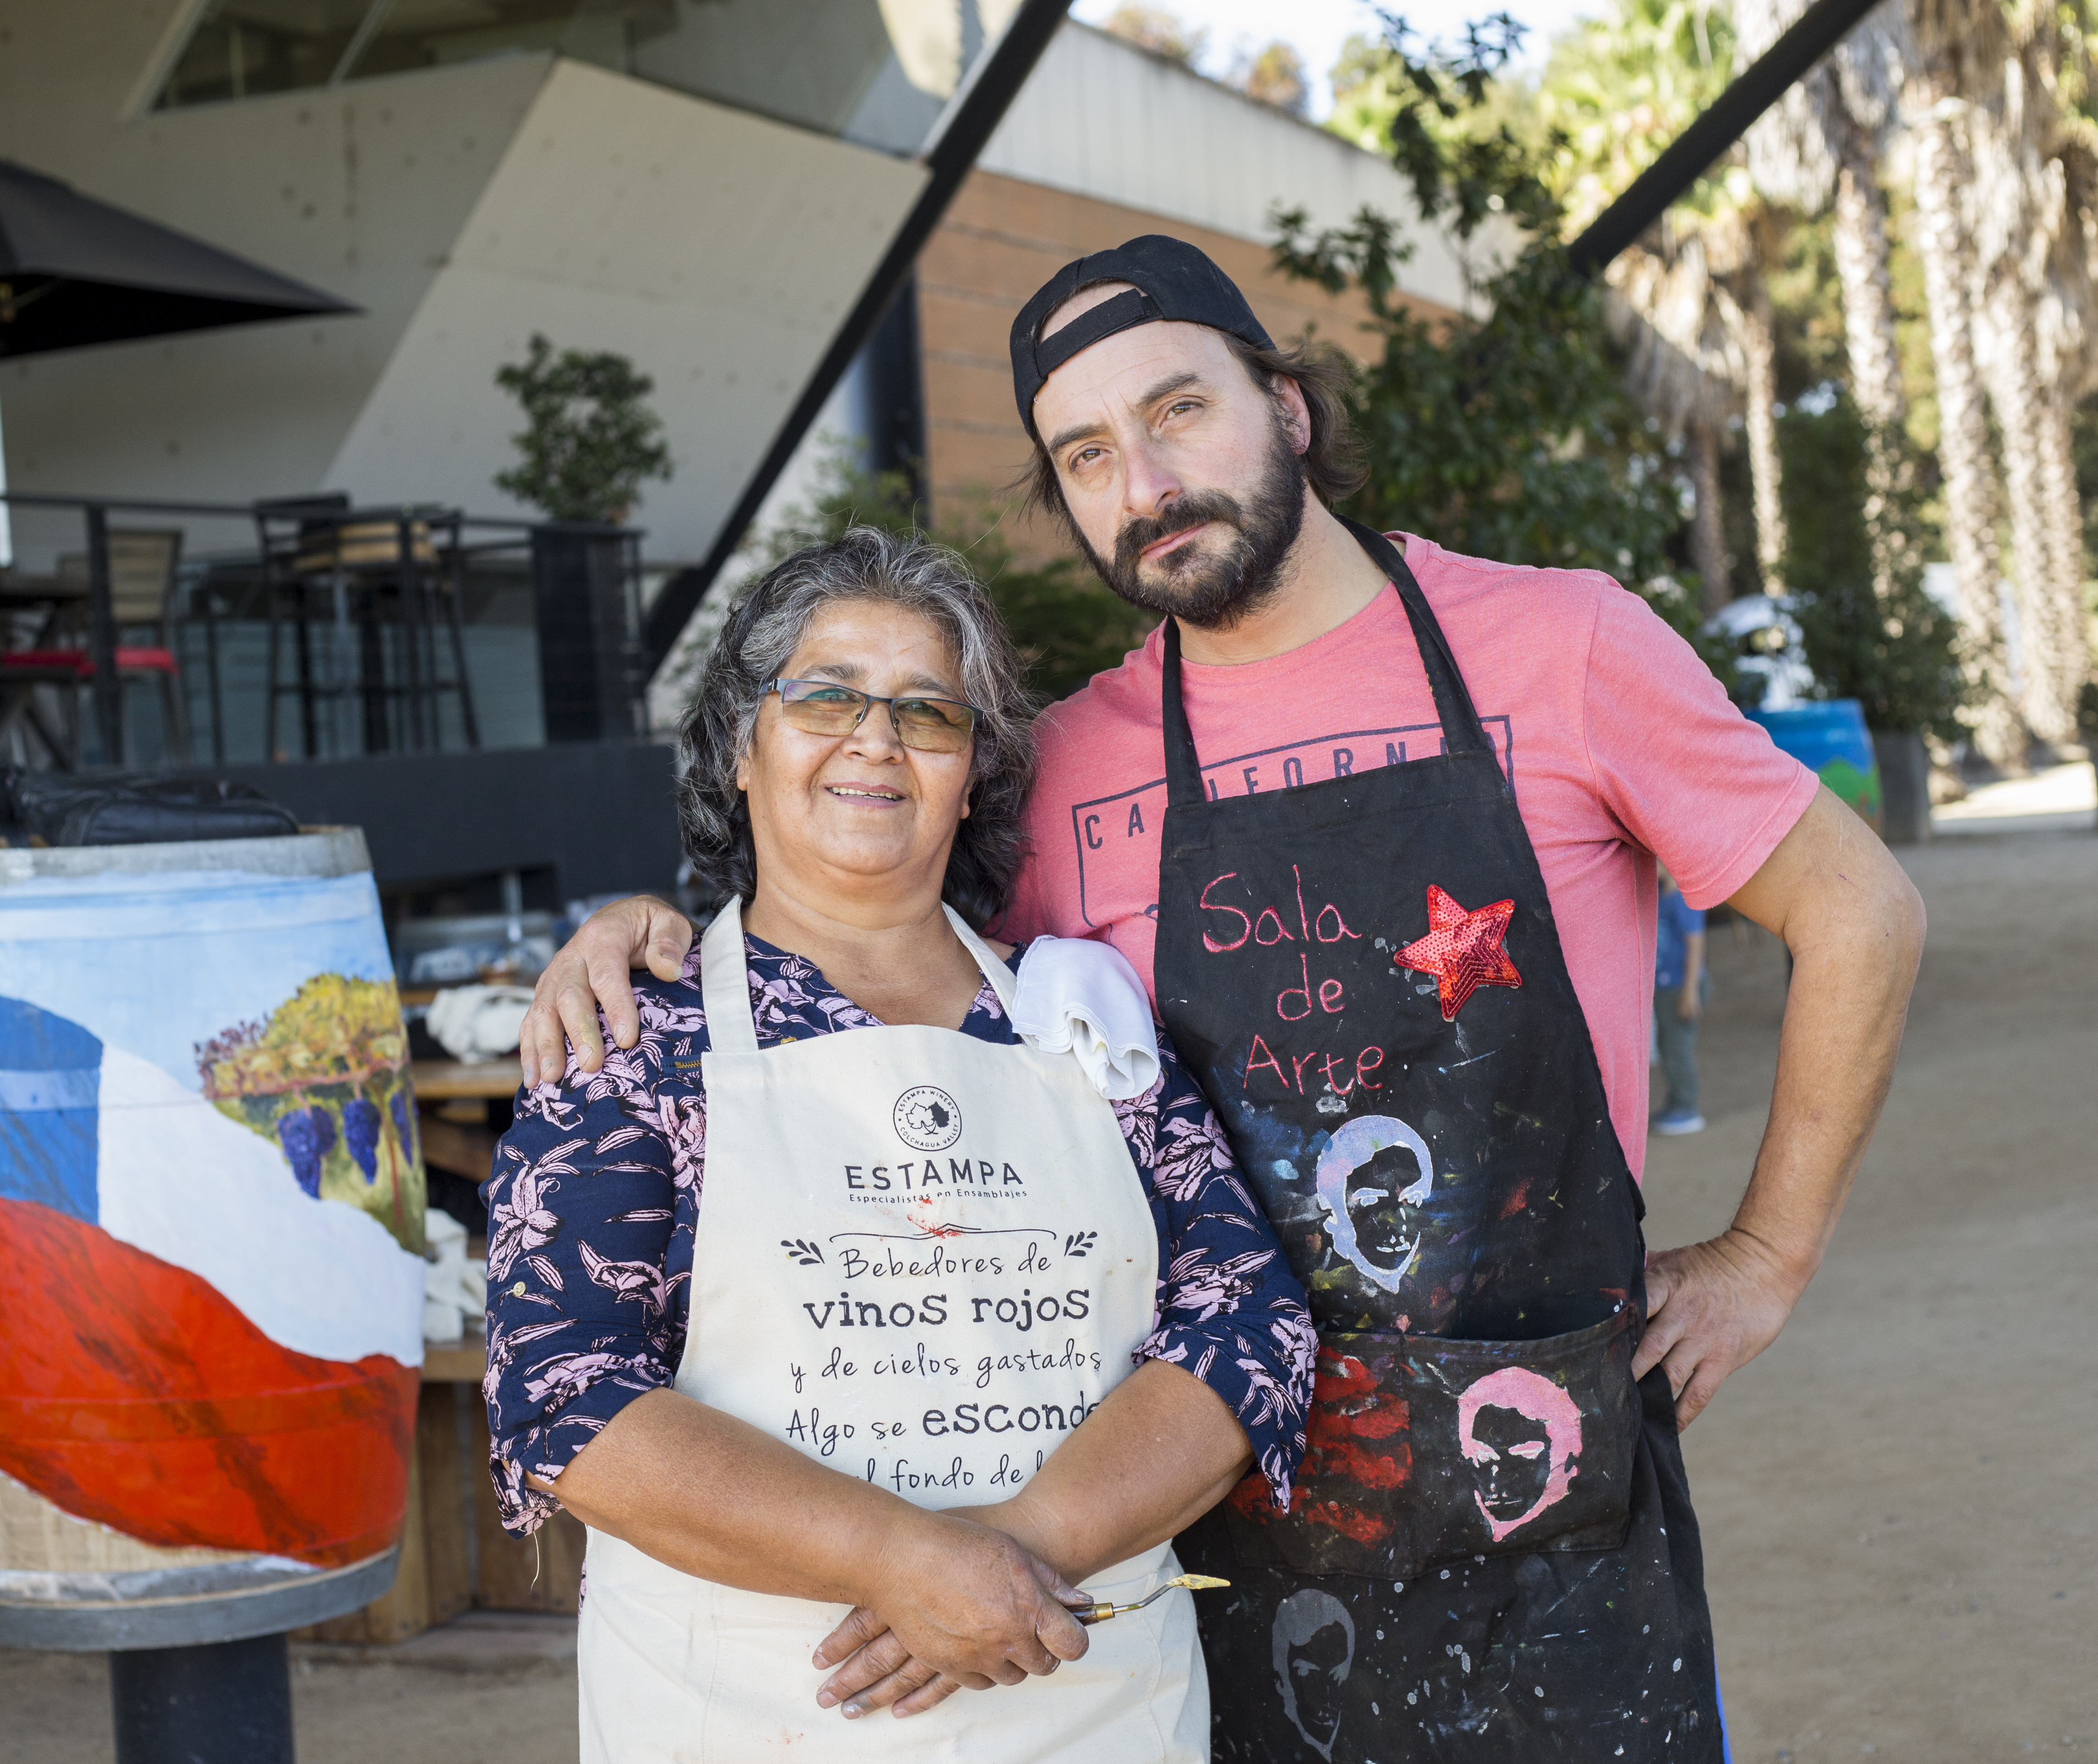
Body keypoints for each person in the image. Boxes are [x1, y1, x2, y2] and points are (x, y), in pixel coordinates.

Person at [520, 237, 1927, 1760]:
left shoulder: (1563, 647)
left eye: (1178, 410)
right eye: (1086, 454)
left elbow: (1860, 911)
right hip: (1215, 1531)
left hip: (1545, 1486)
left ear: (1290, 407)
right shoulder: (1072, 759)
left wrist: (1768, 1256)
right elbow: (867, 937)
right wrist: (657, 930)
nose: (1145, 480)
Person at [481, 527, 1315, 1762]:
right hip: (750, 1715)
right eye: (826, 697)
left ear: (971, 775)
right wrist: (897, 1560)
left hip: (1086, 1702)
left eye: (928, 712)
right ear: (740, 746)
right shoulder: (632, 1038)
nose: (876, 739)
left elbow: (1249, 1322)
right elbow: (563, 1392)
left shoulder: (1077, 1018)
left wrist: (1008, 1561)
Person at [1653, 864, 1711, 1135]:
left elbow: (1696, 944)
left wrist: (1690, 992)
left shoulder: (1684, 900)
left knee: (1677, 1047)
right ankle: (1677, 1102)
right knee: (1668, 1046)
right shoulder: (1661, 895)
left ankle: (1687, 1108)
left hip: (1680, 988)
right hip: (1667, 987)